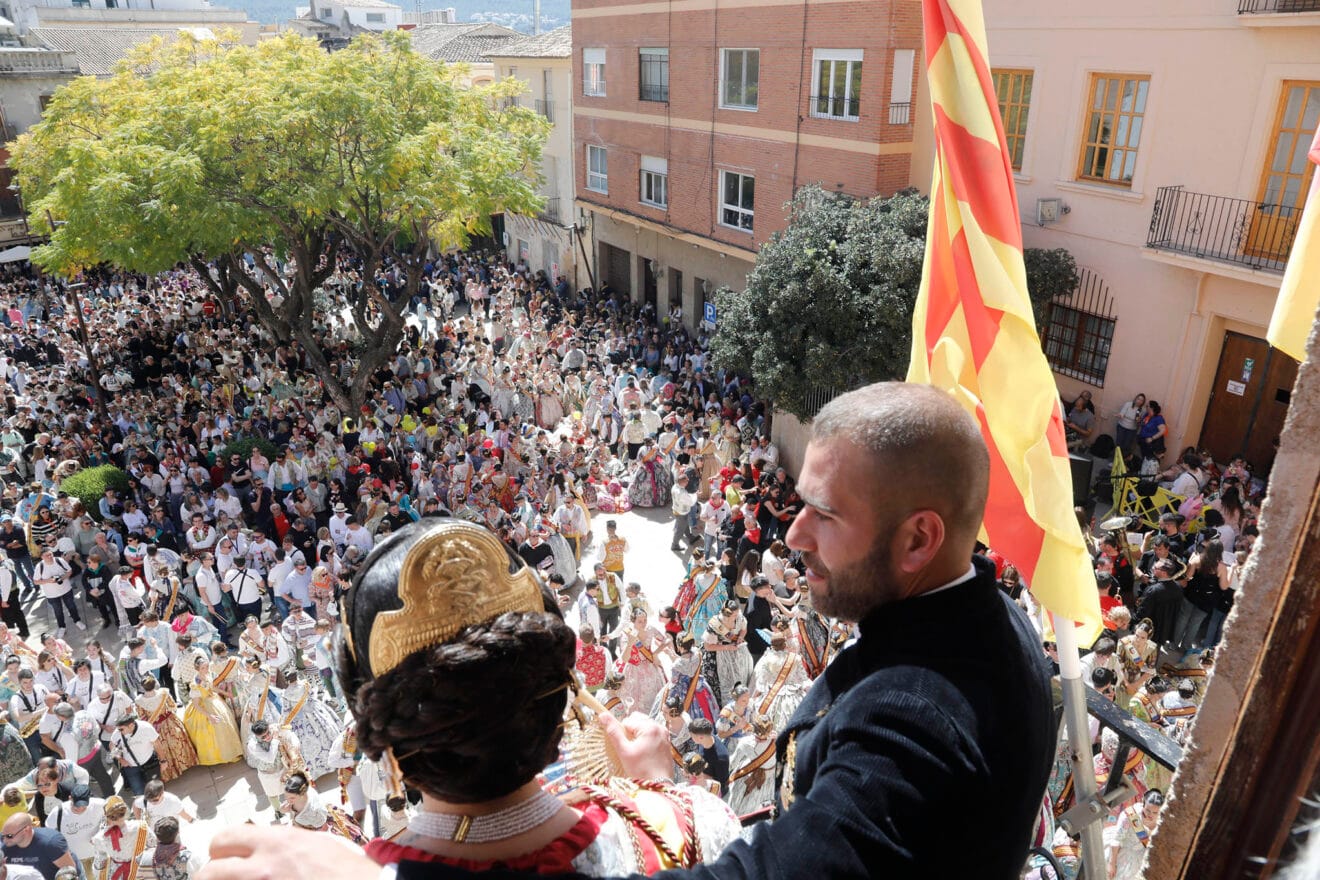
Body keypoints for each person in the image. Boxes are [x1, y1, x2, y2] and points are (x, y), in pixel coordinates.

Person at [44, 784, 102, 879]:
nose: (80, 809)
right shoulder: (58, 812)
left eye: (84, 805)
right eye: (77, 805)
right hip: (72, 860)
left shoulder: (100, 805)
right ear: (70, 798)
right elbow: (48, 835)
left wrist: (101, 833)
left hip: (95, 856)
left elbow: (111, 819)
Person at [0, 812, 77, 880]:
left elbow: (70, 871)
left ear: (26, 830)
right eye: (2, 835)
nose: (4, 840)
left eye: (9, 836)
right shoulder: (5, 846)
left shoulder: (51, 843)